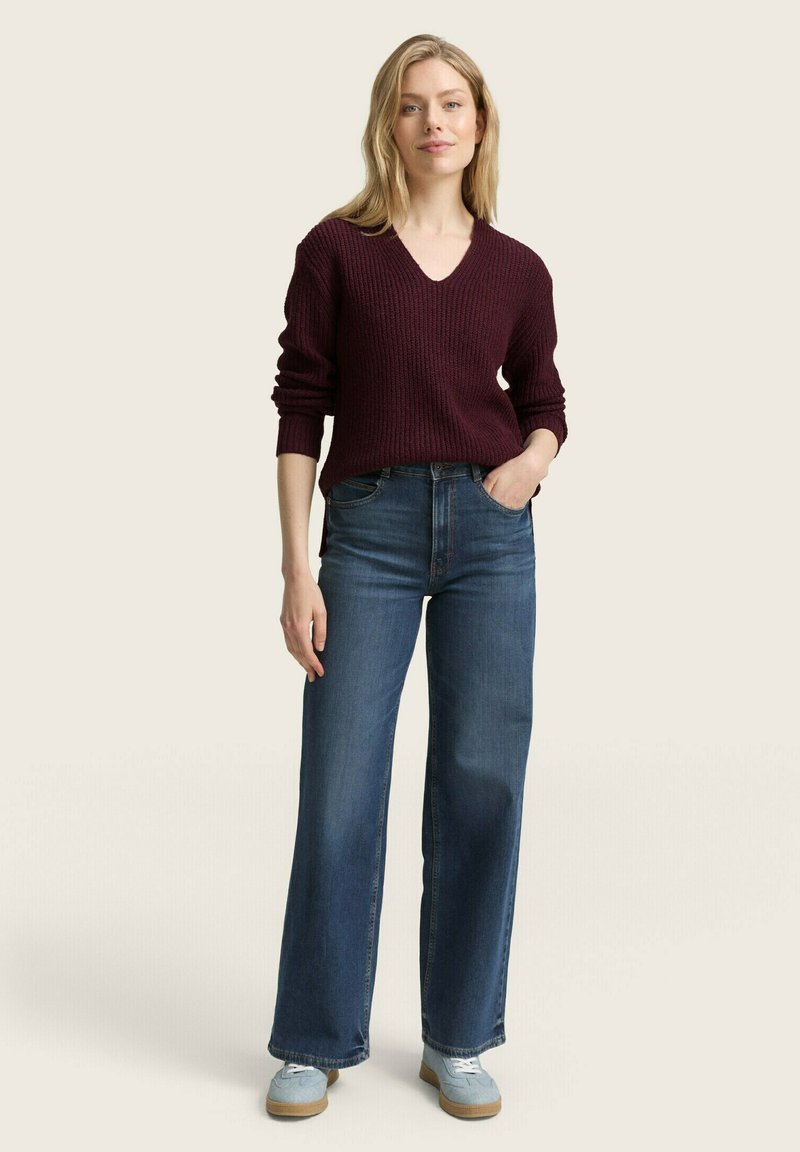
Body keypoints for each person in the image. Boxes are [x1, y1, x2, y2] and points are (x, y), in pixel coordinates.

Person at [265, 33, 568, 1120]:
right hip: (369, 534)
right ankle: (315, 1037)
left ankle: (459, 1035)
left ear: (478, 124)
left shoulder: (517, 269)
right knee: (341, 783)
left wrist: (526, 469)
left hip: (491, 536)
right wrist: (296, 568)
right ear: (386, 125)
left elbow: (544, 401)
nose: (432, 121)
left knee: (482, 780)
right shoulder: (336, 252)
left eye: (451, 103)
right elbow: (300, 406)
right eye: (411, 104)